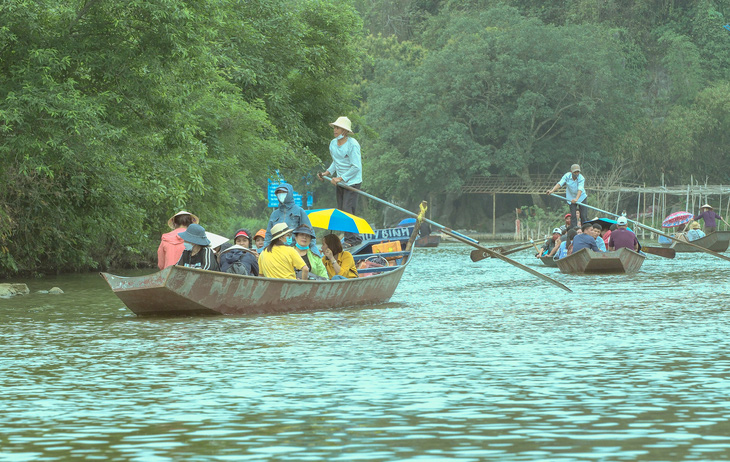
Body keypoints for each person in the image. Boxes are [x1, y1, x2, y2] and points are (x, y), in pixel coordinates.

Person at [317, 116, 363, 247]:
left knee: (348, 209)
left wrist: (341, 178)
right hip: (340, 181)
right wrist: (327, 173)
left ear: (344, 131)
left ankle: (352, 239)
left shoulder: (352, 144)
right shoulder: (333, 143)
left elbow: (356, 166)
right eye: (335, 127)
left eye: (338, 128)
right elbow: (336, 162)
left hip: (352, 181)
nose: (335, 130)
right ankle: (353, 237)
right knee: (342, 210)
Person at [263, 183, 321, 256]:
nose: (281, 195)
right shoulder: (274, 214)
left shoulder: (299, 211)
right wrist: (265, 250)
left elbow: (309, 231)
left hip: (295, 250)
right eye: (279, 193)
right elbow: (268, 235)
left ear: (289, 193)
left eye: (283, 192)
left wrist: (313, 250)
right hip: (277, 251)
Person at [546, 164, 587, 231]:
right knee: (573, 216)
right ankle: (574, 231)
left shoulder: (581, 178)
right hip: (570, 198)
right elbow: (560, 184)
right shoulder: (567, 176)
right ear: (571, 171)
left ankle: (584, 230)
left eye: (578, 172)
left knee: (583, 215)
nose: (576, 173)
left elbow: (580, 189)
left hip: (581, 197)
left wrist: (576, 199)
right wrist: (552, 191)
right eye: (575, 172)